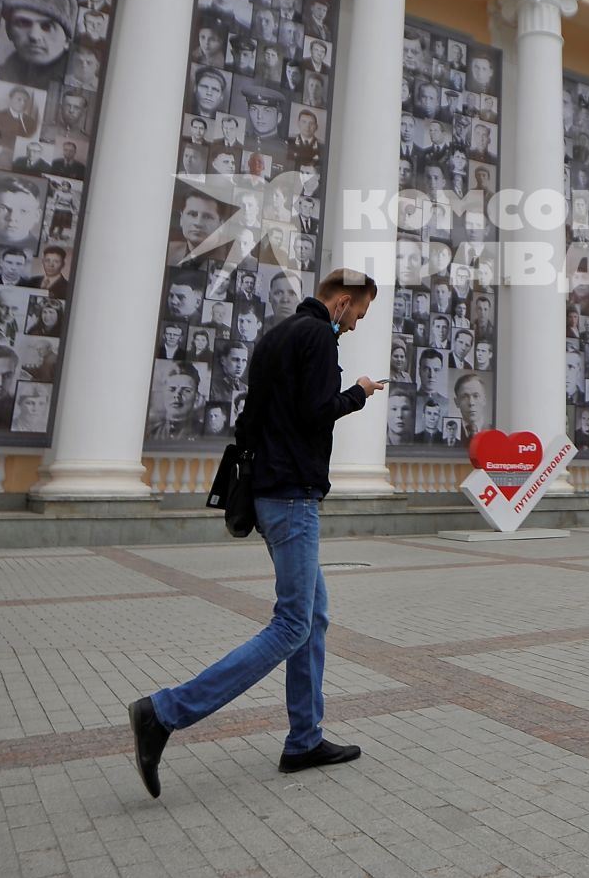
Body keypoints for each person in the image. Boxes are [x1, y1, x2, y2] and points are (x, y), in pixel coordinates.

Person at [129, 270, 383, 795]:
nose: (357, 324)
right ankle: (165, 712)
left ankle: (304, 740)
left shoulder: (276, 336)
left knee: (313, 614)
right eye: (359, 314)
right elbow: (316, 413)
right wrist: (356, 393)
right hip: (291, 495)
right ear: (340, 303)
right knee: (293, 623)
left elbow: (250, 421)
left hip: (271, 489)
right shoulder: (317, 336)